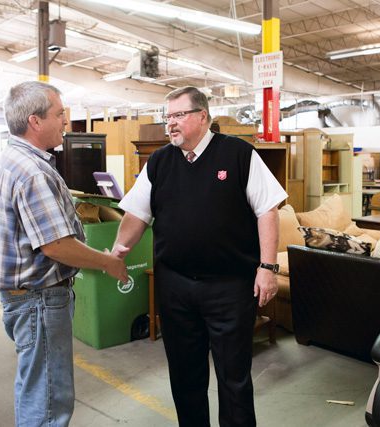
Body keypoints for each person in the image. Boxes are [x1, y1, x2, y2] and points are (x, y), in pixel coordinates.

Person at [112, 86, 286, 426]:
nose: (170, 125)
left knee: (233, 377)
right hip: (175, 287)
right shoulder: (160, 161)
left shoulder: (238, 154)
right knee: (185, 375)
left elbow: (268, 210)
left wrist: (267, 267)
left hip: (230, 288)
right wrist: (118, 252)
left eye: (178, 116)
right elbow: (136, 214)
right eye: (167, 117)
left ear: (202, 117)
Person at [0, 81, 128, 427]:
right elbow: (56, 245)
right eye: (60, 114)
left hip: (24, 299)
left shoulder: (12, 158)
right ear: (35, 121)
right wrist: (107, 262)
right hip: (39, 299)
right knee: (50, 399)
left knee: (35, 388)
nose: (66, 121)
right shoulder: (33, 171)